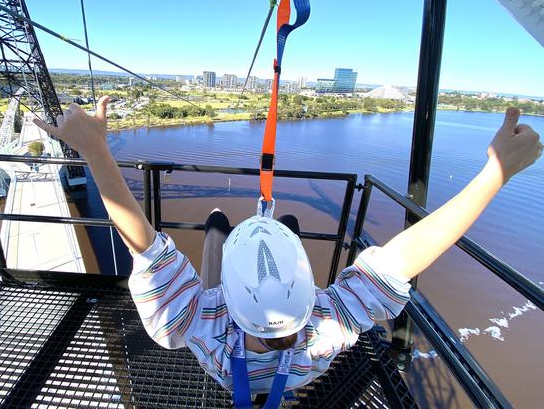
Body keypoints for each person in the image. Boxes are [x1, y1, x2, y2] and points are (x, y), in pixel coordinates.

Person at [34, 99, 542, 405]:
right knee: (284, 228)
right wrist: (496, 174)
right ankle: (280, 236)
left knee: (211, 231)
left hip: (228, 357)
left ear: (226, 298)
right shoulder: (325, 330)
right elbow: (409, 253)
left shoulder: (195, 321)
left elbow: (141, 242)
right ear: (307, 293)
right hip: (291, 368)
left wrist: (96, 152)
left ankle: (224, 231)